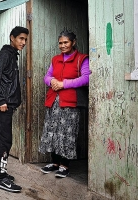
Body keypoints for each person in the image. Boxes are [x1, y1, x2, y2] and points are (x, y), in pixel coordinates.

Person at [39, 30, 90, 178]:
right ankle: (54, 163)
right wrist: (52, 81)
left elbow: (86, 78)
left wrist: (63, 84)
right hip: (54, 101)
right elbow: (47, 76)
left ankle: (64, 165)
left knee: (67, 134)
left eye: (66, 42)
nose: (62, 45)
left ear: (73, 42)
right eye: (60, 43)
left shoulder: (82, 59)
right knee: (53, 132)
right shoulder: (55, 59)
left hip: (70, 102)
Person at [0, 26, 29, 192]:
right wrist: (0, 100)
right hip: (2, 105)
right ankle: (0, 178)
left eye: (25, 39)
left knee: (1, 139)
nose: (23, 42)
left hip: (6, 104)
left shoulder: (12, 55)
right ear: (12, 38)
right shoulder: (5, 55)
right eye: (20, 39)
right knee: (5, 140)